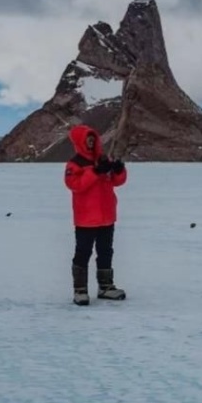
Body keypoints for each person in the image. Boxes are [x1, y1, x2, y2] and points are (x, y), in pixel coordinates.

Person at [64, 124, 127, 305]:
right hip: (86, 219)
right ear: (80, 141)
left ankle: (106, 287)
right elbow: (75, 185)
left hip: (107, 216)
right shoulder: (75, 163)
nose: (90, 141)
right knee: (83, 253)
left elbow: (117, 181)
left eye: (92, 138)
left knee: (105, 252)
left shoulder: (102, 159)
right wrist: (94, 172)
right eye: (87, 139)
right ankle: (80, 290)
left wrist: (118, 169)